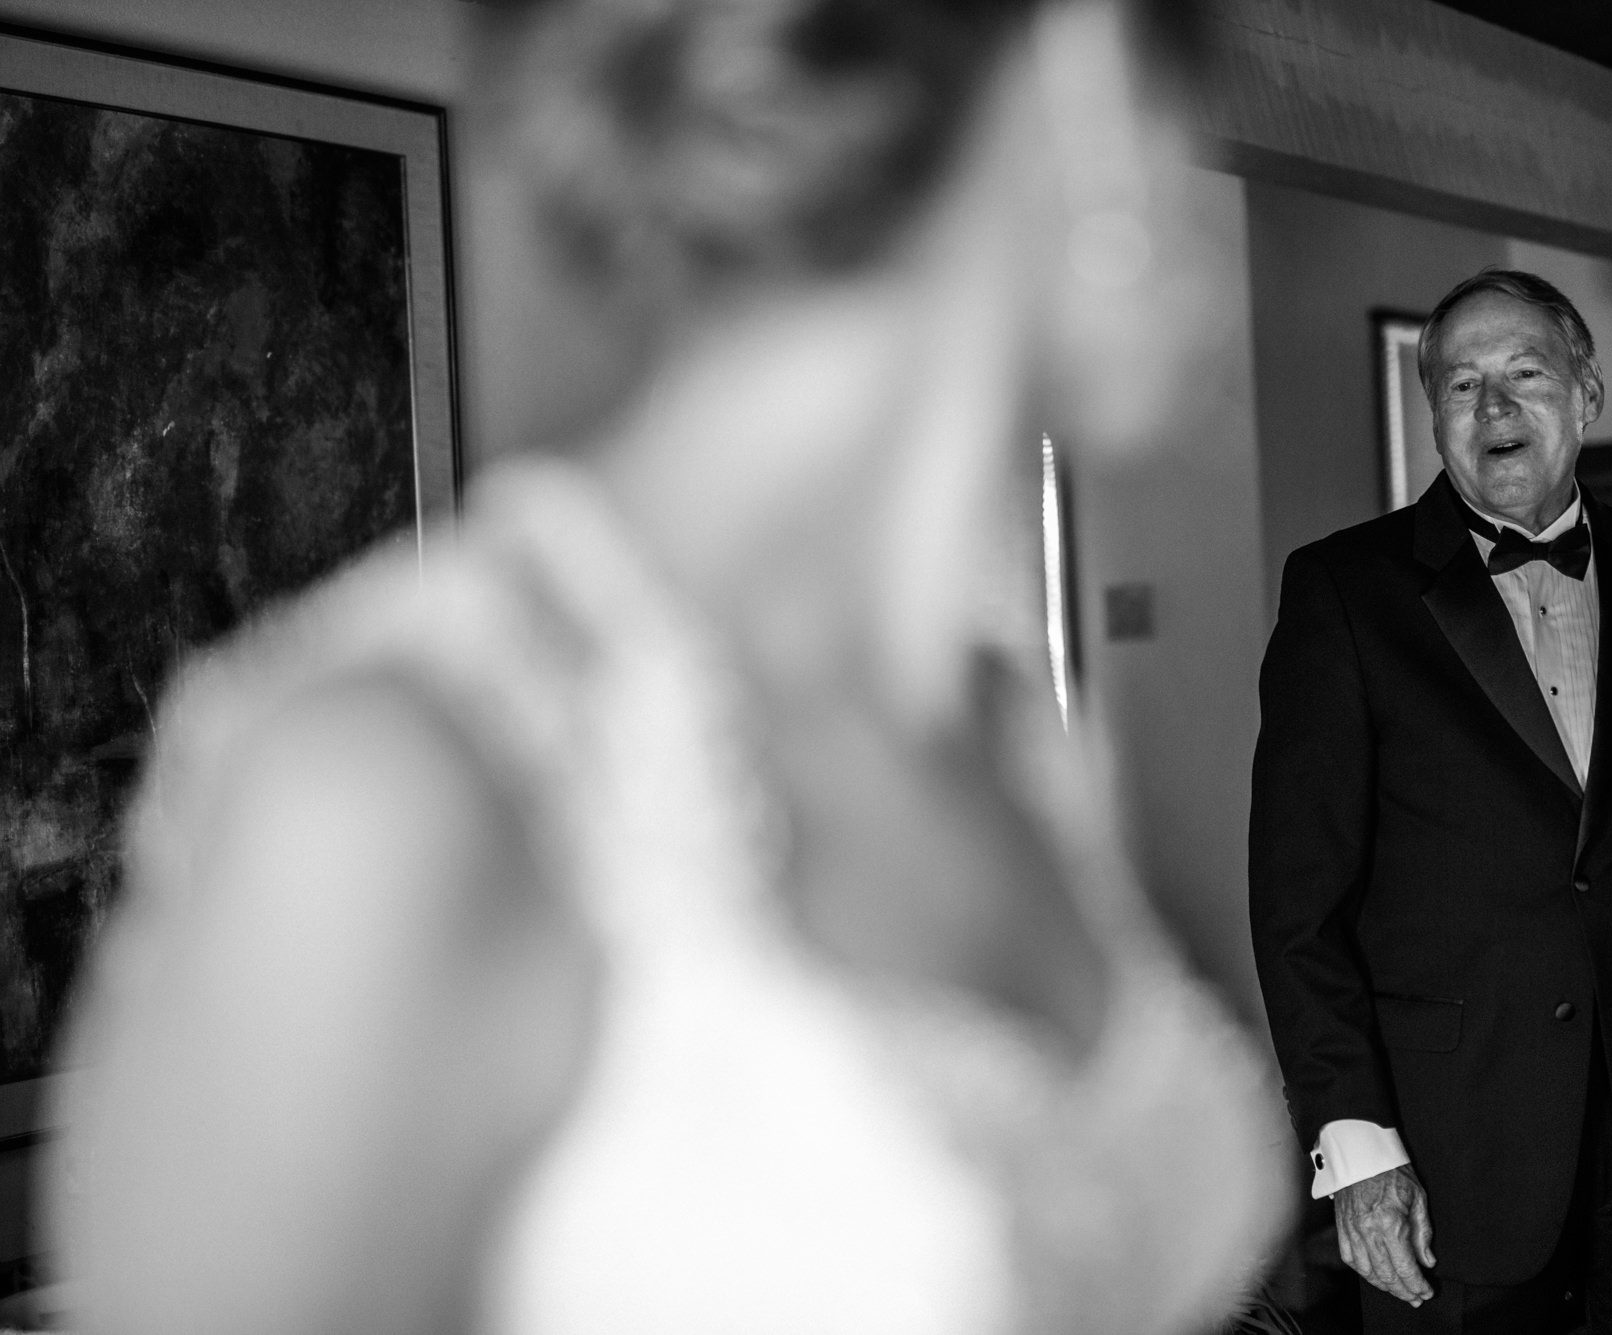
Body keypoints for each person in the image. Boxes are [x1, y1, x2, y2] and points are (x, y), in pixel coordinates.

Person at [47, 0, 1290, 1330]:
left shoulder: (998, 723)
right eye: (1186, 87)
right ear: (1080, 67)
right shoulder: (396, 781)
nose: (1202, 174)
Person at [1247, 268, 1612, 1334]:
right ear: (1431, 413)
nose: (1492, 407)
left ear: (1585, 394)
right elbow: (1298, 904)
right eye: (1459, 384)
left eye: (1523, 373)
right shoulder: (1340, 593)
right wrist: (1354, 1152)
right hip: (1448, 1162)